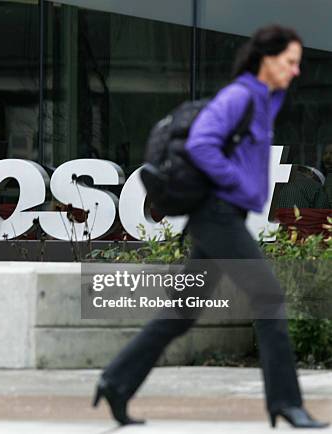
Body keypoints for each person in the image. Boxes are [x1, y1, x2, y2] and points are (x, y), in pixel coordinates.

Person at [93, 25, 329, 429]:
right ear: (266, 60)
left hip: (224, 214)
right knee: (269, 296)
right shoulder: (240, 95)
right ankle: (287, 404)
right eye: (290, 61)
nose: (295, 70)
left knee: (181, 313)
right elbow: (202, 143)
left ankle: (116, 381)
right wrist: (238, 185)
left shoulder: (262, 100)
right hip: (216, 213)